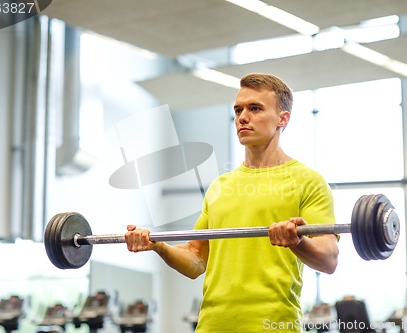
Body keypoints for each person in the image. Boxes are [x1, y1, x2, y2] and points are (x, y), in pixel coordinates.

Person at [125, 73, 339, 332]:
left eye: (255, 108)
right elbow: (195, 259)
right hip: (212, 326)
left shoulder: (309, 181)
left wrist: (298, 241)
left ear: (283, 119)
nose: (242, 117)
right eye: (238, 110)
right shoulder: (220, 186)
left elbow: (328, 260)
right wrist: (158, 245)